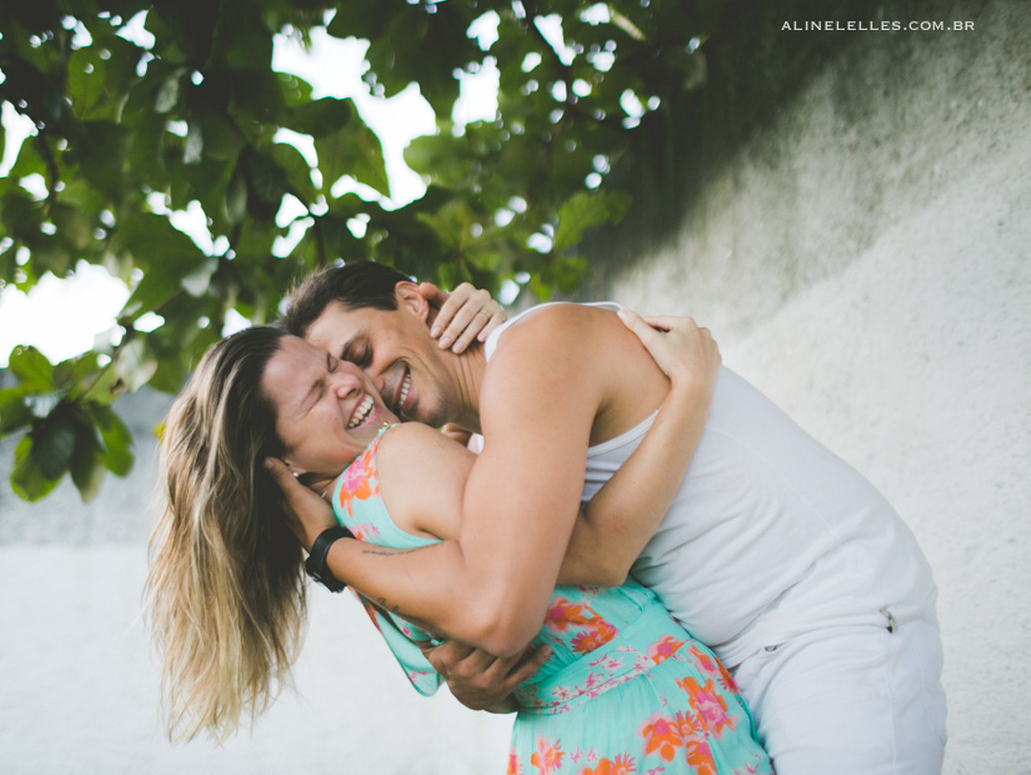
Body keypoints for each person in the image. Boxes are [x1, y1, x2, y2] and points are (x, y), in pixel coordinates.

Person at [271, 260, 946, 775]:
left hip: (824, 621)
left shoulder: (536, 348)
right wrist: (484, 688)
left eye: (358, 354)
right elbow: (559, 607)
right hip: (723, 663)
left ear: (417, 301)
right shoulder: (477, 449)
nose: (362, 381)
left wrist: (328, 547)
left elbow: (595, 558)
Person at [148, 321, 774, 774]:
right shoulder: (399, 458)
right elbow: (585, 555)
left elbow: (476, 667)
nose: (345, 381)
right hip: (650, 714)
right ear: (281, 463)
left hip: (561, 743)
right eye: (314, 394)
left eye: (330, 362)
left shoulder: (351, 527)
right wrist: (691, 391)